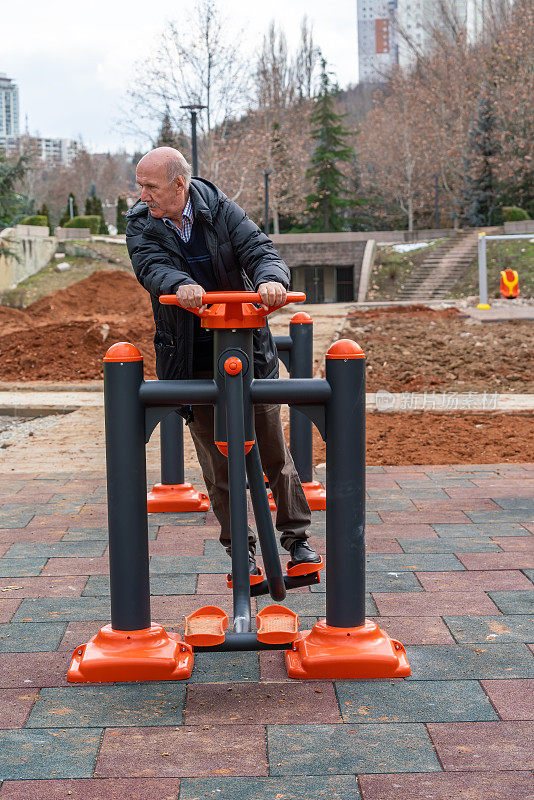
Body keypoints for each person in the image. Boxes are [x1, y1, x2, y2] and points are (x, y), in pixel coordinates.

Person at [126, 147, 320, 574]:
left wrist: (271, 280)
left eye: (150, 186)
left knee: (275, 456)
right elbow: (150, 266)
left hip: (247, 352)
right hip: (191, 357)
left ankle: (297, 539)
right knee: (219, 466)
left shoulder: (221, 209)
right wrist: (181, 284)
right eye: (140, 185)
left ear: (180, 184)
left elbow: (260, 250)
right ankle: (242, 550)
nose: (142, 196)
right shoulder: (141, 223)